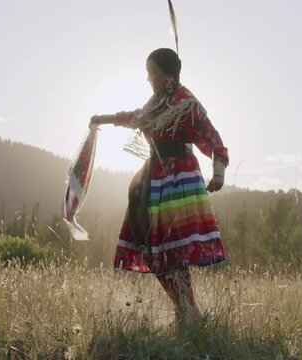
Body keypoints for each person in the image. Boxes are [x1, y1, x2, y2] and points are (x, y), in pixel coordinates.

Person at [90, 48, 228, 329]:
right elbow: (137, 116)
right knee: (152, 246)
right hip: (153, 176)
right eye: (148, 73)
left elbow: (211, 136)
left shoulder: (185, 102)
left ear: (167, 75)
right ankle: (187, 312)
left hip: (178, 179)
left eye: (152, 72)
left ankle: (188, 315)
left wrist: (219, 171)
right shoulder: (157, 102)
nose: (149, 78)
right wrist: (102, 119)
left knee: (169, 249)